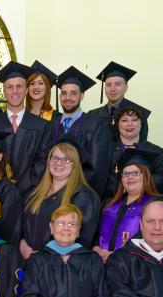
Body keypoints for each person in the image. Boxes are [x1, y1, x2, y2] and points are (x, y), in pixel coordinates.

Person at [20, 138, 100, 259]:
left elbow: (82, 239)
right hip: (29, 263)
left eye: (66, 159)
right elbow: (24, 225)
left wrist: (44, 257)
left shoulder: (83, 196)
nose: (58, 163)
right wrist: (23, 244)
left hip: (58, 267)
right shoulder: (36, 192)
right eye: (55, 158)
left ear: (74, 165)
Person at [0, 61, 52, 194]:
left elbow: (42, 161)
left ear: (26, 90)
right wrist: (3, 188)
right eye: (10, 87)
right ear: (4, 91)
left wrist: (22, 187)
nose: (14, 91)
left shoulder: (41, 126)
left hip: (31, 194)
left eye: (19, 86)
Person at [52, 66, 112, 198]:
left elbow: (97, 169)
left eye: (73, 93)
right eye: (64, 93)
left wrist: (75, 193)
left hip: (81, 196)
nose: (68, 97)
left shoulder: (96, 126)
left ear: (82, 96)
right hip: (52, 194)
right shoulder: (52, 125)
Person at [93, 149, 159, 263]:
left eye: (135, 173)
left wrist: (117, 255)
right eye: (125, 174)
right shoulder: (110, 204)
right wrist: (97, 248)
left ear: (146, 176)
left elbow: (155, 240)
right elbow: (95, 233)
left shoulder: (155, 205)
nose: (130, 177)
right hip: (101, 264)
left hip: (133, 268)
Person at [102, 103, 163, 200]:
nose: (129, 124)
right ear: (118, 124)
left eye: (134, 120)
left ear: (141, 123)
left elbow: (162, 179)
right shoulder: (106, 152)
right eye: (124, 120)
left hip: (146, 204)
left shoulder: (157, 153)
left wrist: (136, 192)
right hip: (113, 205)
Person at [88, 61, 148, 140]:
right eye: (108, 85)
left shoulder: (139, 114)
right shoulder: (92, 115)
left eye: (118, 84)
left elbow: (141, 145)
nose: (113, 89)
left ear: (126, 88)